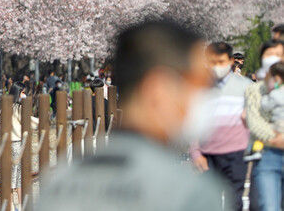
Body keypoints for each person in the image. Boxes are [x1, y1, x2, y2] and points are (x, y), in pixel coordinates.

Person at [36, 18, 224, 211]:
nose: (204, 99)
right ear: (159, 90)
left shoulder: (58, 183)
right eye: (199, 86)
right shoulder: (188, 192)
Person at [188, 41, 251, 211]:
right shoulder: (200, 88)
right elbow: (193, 124)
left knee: (234, 201)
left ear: (231, 61)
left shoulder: (245, 86)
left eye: (221, 62)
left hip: (237, 153)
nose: (217, 67)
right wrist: (195, 152)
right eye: (213, 62)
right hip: (208, 154)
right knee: (209, 201)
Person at [245, 40, 284, 211]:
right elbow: (254, 121)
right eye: (270, 54)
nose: (274, 58)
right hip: (267, 155)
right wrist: (276, 138)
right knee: (269, 207)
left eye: (279, 54)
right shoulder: (254, 90)